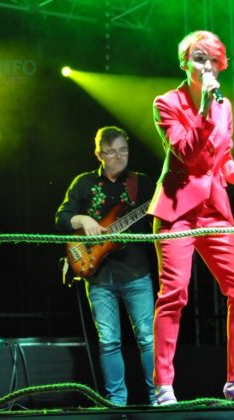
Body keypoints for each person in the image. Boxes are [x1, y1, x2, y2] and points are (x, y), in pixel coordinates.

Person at [147, 30, 234, 405]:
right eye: (199, 58)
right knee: (174, 294)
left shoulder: (225, 106)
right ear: (184, 62)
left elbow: (222, 162)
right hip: (176, 210)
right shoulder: (166, 103)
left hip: (213, 210)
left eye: (213, 60)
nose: (206, 66)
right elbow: (186, 154)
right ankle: (163, 386)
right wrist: (203, 109)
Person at [56, 126, 156, 405]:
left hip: (136, 272)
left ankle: (157, 399)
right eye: (111, 152)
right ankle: (116, 402)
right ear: (98, 154)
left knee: (148, 338)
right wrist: (82, 220)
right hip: (98, 275)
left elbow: (161, 215)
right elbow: (61, 217)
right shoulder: (84, 183)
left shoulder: (142, 184)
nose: (119, 157)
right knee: (109, 341)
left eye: (123, 150)